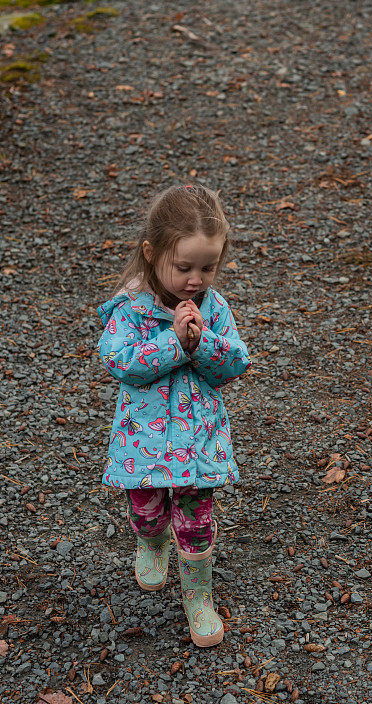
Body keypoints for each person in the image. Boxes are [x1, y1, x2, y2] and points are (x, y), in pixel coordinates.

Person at [96, 183, 252, 648]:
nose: (196, 280)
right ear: (152, 252)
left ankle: (197, 595)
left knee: (196, 520)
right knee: (146, 512)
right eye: (184, 267)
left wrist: (201, 342)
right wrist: (173, 344)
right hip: (141, 441)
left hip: (196, 444)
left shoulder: (214, 308)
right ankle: (150, 540)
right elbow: (121, 363)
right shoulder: (131, 310)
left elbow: (235, 364)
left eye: (208, 267)